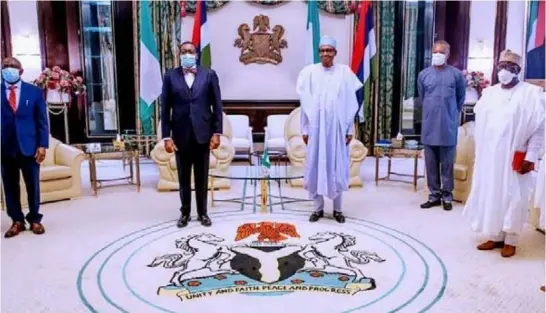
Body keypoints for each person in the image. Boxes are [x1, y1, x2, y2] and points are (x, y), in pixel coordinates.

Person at [462, 49, 545, 258]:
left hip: (516, 156)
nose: (504, 71)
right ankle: (495, 235)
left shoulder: (531, 93)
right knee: (492, 194)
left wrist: (531, 157)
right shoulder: (489, 93)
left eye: (510, 68)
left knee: (514, 197)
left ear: (518, 70)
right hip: (491, 157)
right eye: (501, 67)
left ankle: (511, 240)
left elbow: (538, 129)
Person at [296, 35, 363, 223]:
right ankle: (317, 208)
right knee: (315, 166)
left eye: (329, 50)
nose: (326, 53)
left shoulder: (344, 72)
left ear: (335, 52)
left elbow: (351, 104)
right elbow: (305, 105)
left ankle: (338, 210)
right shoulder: (308, 72)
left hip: (337, 129)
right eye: (322, 50)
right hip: (316, 129)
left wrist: (349, 129)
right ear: (319, 53)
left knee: (336, 166)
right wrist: (305, 130)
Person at [160, 41, 223, 228]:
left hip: (203, 134)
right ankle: (185, 212)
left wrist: (217, 132)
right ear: (179, 55)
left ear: (196, 54)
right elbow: (165, 108)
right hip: (180, 134)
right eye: (184, 51)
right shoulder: (170, 76)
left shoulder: (209, 75)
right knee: (184, 177)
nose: (187, 54)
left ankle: (203, 213)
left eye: (191, 51)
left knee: (202, 176)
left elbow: (217, 106)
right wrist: (166, 136)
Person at [1, 57, 48, 238]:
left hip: (29, 147)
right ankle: (17, 220)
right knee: (10, 186)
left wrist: (42, 145)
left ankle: (35, 219)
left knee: (33, 185)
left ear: (20, 71)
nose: (8, 69)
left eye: (12, 66)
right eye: (5, 66)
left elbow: (42, 121)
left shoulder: (34, 92)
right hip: (5, 148)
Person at [417, 40, 466, 211]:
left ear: (448, 55)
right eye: (435, 52)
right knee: (430, 165)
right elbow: (423, 98)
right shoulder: (423, 75)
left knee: (447, 165)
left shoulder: (456, 75)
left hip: (447, 126)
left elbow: (460, 99)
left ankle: (447, 196)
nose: (438, 55)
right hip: (429, 127)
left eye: (442, 52)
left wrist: (450, 114)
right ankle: (434, 195)